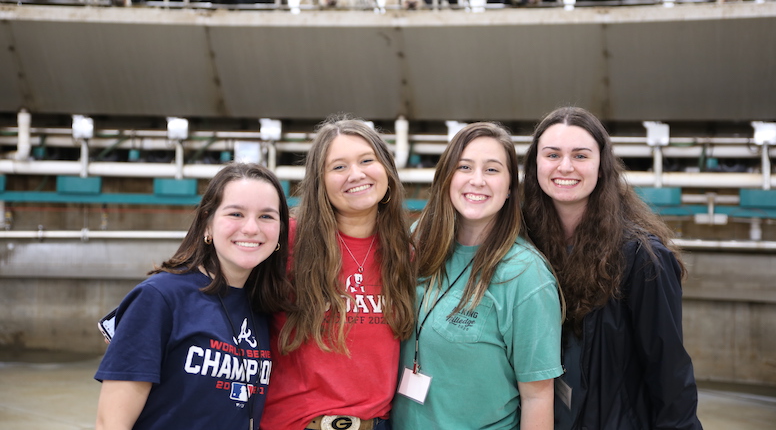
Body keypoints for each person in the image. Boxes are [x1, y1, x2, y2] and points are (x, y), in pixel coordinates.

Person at [521, 106, 703, 430]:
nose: (565, 166)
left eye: (580, 155)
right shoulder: (526, 245)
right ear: (535, 164)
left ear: (601, 167)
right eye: (552, 155)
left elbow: (669, 374)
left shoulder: (643, 258)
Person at [95, 162, 293, 430]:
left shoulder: (264, 305)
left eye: (266, 216)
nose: (250, 228)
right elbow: (111, 423)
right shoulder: (159, 298)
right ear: (207, 224)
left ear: (281, 231)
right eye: (235, 213)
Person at [392, 122, 563, 430]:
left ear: (510, 186)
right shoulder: (418, 242)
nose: (477, 180)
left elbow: (538, 398)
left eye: (492, 170)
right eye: (465, 166)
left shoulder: (525, 276)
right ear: (447, 177)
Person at [260, 115, 416, 430]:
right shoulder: (288, 239)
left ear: (386, 169)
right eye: (339, 167)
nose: (355, 174)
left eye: (366, 160)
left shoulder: (405, 253)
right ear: (320, 181)